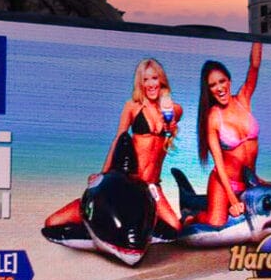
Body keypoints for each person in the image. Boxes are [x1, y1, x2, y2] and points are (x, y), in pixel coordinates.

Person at [45, 58, 184, 233]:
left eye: (154, 78)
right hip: (128, 183)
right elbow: (118, 139)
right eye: (145, 79)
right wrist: (103, 176)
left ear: (161, 80)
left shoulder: (174, 110)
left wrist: (171, 127)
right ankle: (85, 212)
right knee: (52, 222)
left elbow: (171, 130)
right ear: (140, 83)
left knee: (175, 226)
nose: (150, 84)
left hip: (152, 186)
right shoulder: (132, 107)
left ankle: (147, 216)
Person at [195, 42, 262, 226]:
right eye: (213, 85)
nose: (219, 87)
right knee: (215, 223)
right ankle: (194, 215)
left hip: (249, 181)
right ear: (209, 90)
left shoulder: (244, 99)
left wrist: (257, 38)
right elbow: (219, 163)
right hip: (224, 182)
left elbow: (254, 65)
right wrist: (232, 200)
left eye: (222, 81)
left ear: (229, 81)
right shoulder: (213, 118)